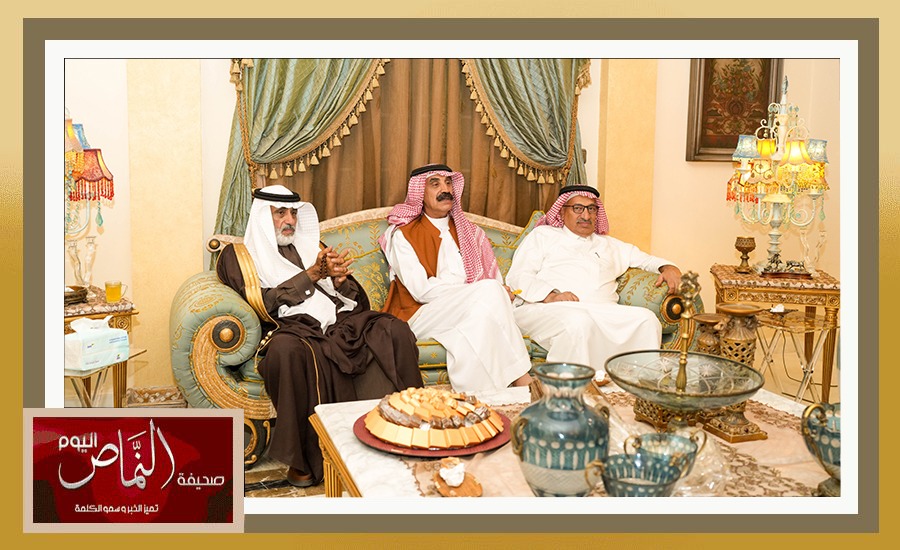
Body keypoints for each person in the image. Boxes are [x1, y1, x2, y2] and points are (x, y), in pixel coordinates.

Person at [216, 185, 423, 487]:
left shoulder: (313, 247)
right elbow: (263, 303)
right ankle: (306, 457)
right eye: (280, 213)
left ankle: (405, 431)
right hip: (289, 328)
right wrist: (311, 275)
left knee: (393, 329)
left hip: (338, 323)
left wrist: (340, 282)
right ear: (261, 217)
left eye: (293, 213)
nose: (290, 220)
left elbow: (356, 302)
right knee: (288, 352)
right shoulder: (239, 257)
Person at [378, 163, 533, 392]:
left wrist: (495, 292)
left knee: (481, 321)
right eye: (435, 184)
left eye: (448, 182)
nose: (445, 189)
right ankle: (523, 380)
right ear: (420, 193)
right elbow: (422, 291)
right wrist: (474, 292)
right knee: (489, 291)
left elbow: (493, 283)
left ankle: (479, 399)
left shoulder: (470, 233)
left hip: (467, 308)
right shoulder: (403, 235)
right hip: (419, 315)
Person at [505, 185, 682, 379]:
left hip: (604, 310)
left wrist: (668, 267)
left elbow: (646, 260)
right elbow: (519, 276)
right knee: (578, 323)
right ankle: (567, 387)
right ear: (562, 212)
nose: (586, 215)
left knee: (647, 320)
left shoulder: (609, 244)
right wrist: (551, 295)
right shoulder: (543, 236)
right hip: (546, 308)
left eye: (591, 209)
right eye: (578, 208)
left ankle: (634, 387)